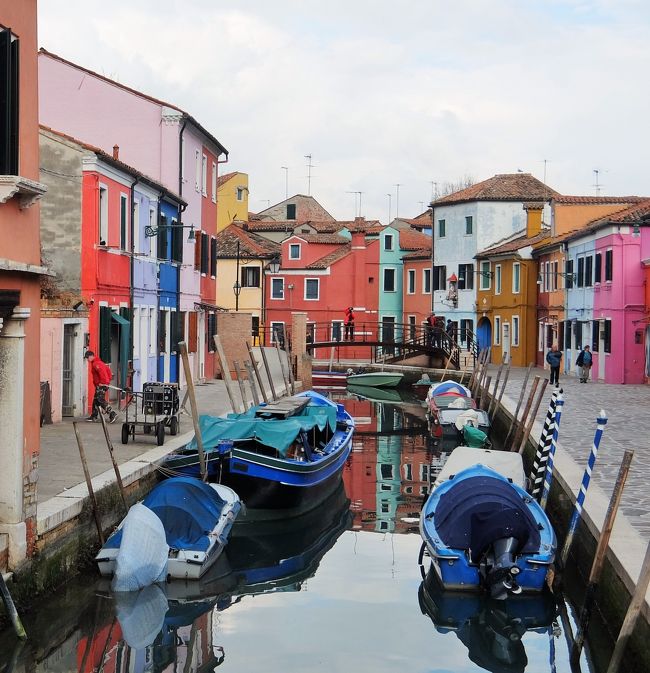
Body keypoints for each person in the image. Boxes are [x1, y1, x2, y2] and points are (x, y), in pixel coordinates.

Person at [84, 350, 117, 423]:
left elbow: (103, 374)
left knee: (100, 399)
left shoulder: (96, 364)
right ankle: (94, 416)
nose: (87, 359)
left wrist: (103, 383)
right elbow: (108, 372)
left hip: (101, 385)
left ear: (91, 356)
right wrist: (107, 382)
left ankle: (112, 413)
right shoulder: (100, 363)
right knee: (96, 400)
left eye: (88, 357)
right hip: (102, 384)